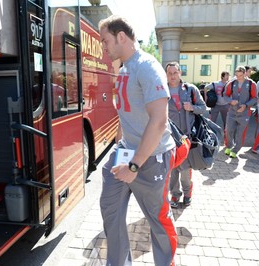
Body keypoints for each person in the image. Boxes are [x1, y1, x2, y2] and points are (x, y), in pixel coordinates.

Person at [98, 15, 177, 266]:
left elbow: (159, 121)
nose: (103, 47)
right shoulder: (125, 68)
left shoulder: (147, 66)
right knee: (110, 208)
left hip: (152, 158)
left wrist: (134, 165)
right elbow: (126, 112)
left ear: (122, 37)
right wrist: (120, 146)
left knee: (158, 220)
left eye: (105, 40)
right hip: (126, 152)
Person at [166, 62, 207, 208]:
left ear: (180, 73)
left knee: (185, 169)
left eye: (175, 72)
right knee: (171, 170)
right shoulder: (162, 90)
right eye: (169, 73)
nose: (172, 76)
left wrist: (192, 108)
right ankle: (175, 195)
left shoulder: (190, 89)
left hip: (187, 137)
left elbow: (203, 108)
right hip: (169, 137)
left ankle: (188, 193)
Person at [223, 66, 258, 158]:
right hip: (232, 112)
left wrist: (246, 105)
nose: (238, 77)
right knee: (229, 130)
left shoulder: (251, 84)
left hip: (244, 113)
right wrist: (230, 101)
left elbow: (255, 98)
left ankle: (236, 150)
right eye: (237, 75)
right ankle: (229, 146)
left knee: (241, 133)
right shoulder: (231, 83)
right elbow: (225, 95)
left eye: (241, 75)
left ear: (245, 73)